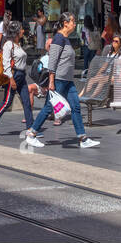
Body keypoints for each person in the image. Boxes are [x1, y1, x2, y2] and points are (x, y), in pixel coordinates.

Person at [27, 13, 99, 149]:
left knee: (76, 107)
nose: (74, 24)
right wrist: (51, 81)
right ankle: (32, 134)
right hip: (59, 80)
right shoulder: (59, 38)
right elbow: (52, 61)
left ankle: (83, 138)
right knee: (49, 107)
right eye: (73, 21)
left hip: (67, 80)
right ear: (65, 23)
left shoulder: (65, 39)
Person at [0, 21, 34, 138]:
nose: (23, 31)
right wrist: (11, 79)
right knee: (7, 102)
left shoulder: (18, 44)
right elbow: (6, 63)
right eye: (21, 29)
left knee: (26, 101)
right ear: (16, 32)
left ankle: (30, 128)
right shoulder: (8, 45)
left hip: (21, 75)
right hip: (13, 75)